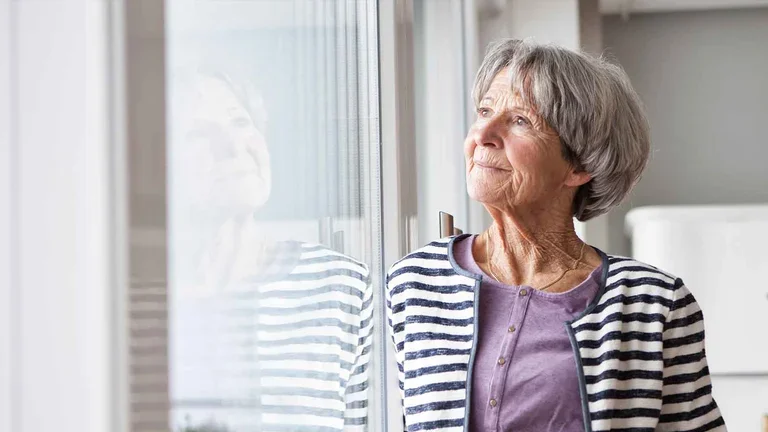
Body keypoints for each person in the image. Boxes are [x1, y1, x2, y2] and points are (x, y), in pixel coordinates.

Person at [386, 39, 726, 432]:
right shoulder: (415, 282)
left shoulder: (654, 303)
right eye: (485, 111)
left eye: (520, 120)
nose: (483, 134)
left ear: (579, 166)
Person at [168, 69, 372, 432]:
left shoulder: (340, 285)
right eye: (199, 133)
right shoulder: (127, 303)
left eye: (240, 122)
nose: (234, 146)